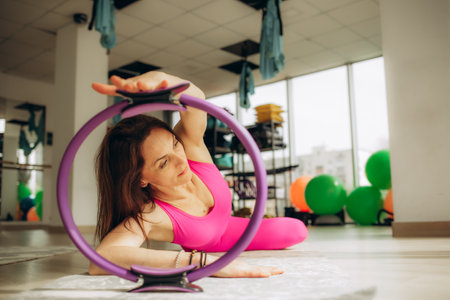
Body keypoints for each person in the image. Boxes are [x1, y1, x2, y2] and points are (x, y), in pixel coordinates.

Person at [88, 71, 308, 278]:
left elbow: (196, 98)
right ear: (140, 179)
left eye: (175, 144)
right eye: (163, 162)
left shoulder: (191, 146)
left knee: (296, 229)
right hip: (211, 245)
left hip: (230, 227)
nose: (180, 160)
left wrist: (159, 78)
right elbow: (100, 261)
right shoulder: (152, 214)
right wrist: (205, 263)